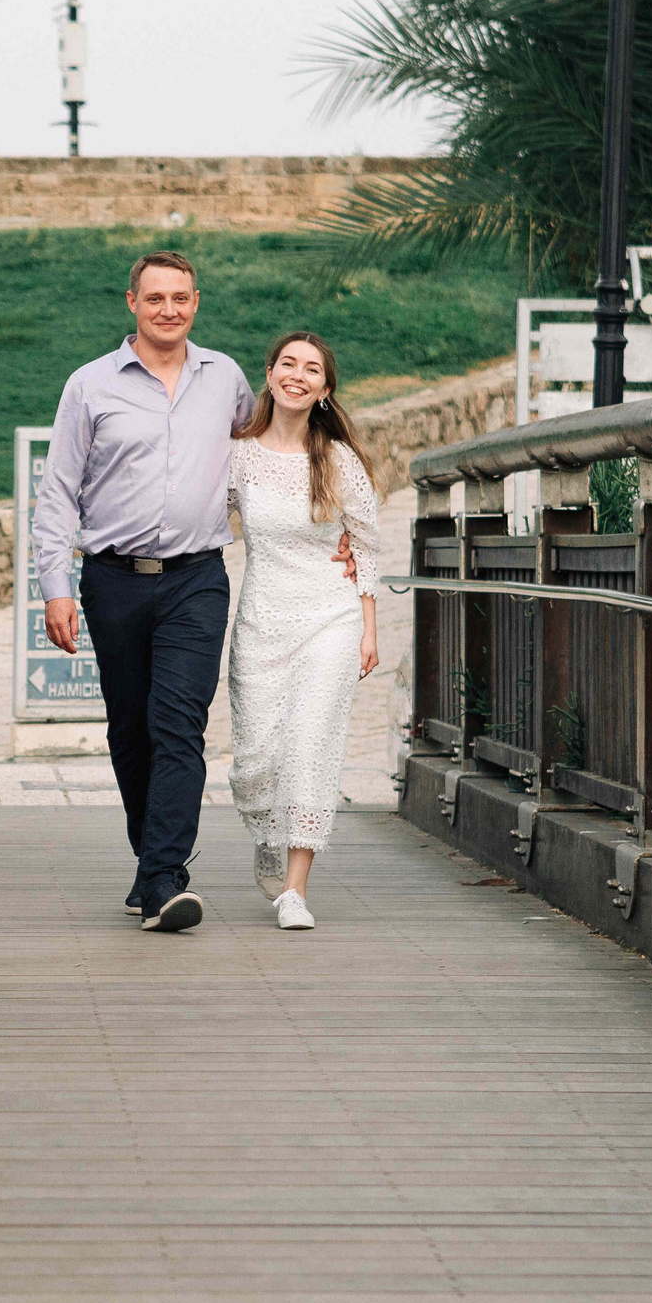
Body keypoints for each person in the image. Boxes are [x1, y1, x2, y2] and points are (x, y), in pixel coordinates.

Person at [33, 252, 257, 933]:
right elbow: (58, 490)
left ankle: (164, 878)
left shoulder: (226, 380)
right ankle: (150, 862)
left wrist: (326, 521)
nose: (168, 309)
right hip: (112, 581)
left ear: (197, 301)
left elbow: (264, 451)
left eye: (181, 297)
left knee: (178, 722)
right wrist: (55, 587)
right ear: (131, 301)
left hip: (197, 577)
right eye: (155, 297)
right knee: (131, 729)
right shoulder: (89, 385)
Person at [223, 332, 382, 930]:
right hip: (262, 621)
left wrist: (368, 628)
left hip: (330, 619)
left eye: (311, 369)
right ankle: (267, 833)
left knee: (311, 742)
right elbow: (203, 519)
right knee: (257, 758)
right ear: (268, 375)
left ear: (325, 389)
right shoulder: (238, 454)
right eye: (287, 363)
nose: (297, 374)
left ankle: (295, 889)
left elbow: (364, 545)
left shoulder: (339, 461)